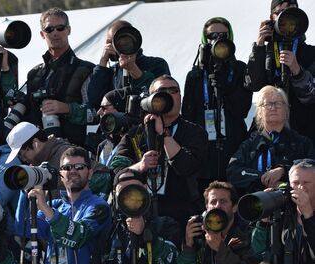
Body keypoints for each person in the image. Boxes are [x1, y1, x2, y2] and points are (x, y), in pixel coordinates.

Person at [112, 75, 208, 227]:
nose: (168, 94)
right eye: (162, 91)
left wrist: (163, 134)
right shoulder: (135, 134)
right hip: (140, 213)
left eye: (173, 90)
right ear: (151, 99)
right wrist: (140, 166)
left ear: (180, 98)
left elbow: (186, 166)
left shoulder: (195, 131)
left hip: (182, 215)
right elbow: (116, 170)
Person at [29, 146, 112, 264]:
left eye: (79, 167)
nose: (73, 171)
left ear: (90, 172)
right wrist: (29, 190)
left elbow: (78, 237)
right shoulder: (55, 205)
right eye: (67, 168)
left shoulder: (98, 206)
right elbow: (23, 228)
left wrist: (45, 209)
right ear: (60, 175)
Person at [182, 17, 253, 191]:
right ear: (205, 39)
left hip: (232, 143)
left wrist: (224, 87)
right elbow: (187, 115)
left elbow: (242, 110)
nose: (218, 39)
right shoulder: (195, 74)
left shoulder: (239, 69)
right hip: (204, 148)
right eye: (212, 35)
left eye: (223, 34)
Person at [23, 7, 95, 147]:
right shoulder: (34, 74)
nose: (55, 33)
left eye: (60, 28)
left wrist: (67, 108)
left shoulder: (86, 69)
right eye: (49, 29)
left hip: (73, 153)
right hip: (37, 152)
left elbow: (96, 113)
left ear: (68, 30)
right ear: (42, 34)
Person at [226, 85, 315, 195]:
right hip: (256, 205)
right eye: (267, 104)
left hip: (293, 204)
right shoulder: (249, 145)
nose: (273, 108)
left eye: (278, 103)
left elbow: (312, 167)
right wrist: (263, 177)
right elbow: (233, 172)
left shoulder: (302, 143)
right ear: (259, 112)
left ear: (286, 109)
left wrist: (284, 171)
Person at [247, 0, 315, 141]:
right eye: (280, 13)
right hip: (269, 130)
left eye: (291, 13)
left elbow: (310, 97)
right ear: (272, 18)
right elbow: (254, 85)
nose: (286, 20)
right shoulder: (264, 52)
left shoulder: (311, 53)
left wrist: (297, 71)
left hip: (304, 132)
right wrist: (259, 47)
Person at [87, 20, 170, 110]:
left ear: (135, 41)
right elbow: (94, 101)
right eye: (111, 42)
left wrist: (133, 69)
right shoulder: (111, 72)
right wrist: (102, 64)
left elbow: (161, 98)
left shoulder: (157, 64)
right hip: (117, 122)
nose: (122, 45)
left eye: (126, 42)